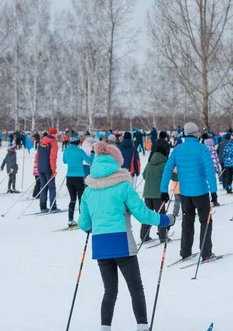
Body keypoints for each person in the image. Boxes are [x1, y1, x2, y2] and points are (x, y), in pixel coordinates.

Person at [78, 142, 174, 331]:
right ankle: (142, 326)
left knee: (110, 291)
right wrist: (165, 220)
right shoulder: (122, 186)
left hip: (101, 244)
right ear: (116, 162)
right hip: (122, 242)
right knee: (135, 288)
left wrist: (94, 223)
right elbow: (143, 214)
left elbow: (84, 223)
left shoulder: (89, 190)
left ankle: (105, 328)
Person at [160, 122, 218, 261]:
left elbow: (167, 170)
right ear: (196, 133)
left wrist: (163, 190)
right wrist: (214, 192)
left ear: (185, 134)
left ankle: (185, 252)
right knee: (205, 221)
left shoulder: (177, 150)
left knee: (187, 221)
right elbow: (210, 171)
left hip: (185, 193)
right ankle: (206, 252)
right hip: (201, 192)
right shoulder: (202, 149)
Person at [140, 145, 170, 243]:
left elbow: (144, 175)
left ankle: (144, 236)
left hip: (147, 194)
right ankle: (162, 236)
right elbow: (170, 176)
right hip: (158, 195)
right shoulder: (164, 164)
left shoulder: (149, 163)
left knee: (147, 215)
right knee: (161, 215)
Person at [63, 133, 92, 227]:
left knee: (72, 199)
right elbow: (90, 161)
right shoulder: (80, 151)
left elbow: (64, 161)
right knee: (81, 199)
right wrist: (92, 153)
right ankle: (82, 220)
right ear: (78, 141)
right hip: (79, 177)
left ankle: (70, 220)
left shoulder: (66, 150)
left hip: (69, 177)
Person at [37, 128, 59, 211]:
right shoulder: (53, 142)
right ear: (54, 134)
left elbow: (37, 155)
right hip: (48, 167)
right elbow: (52, 157)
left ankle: (42, 205)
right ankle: (53, 206)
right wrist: (53, 169)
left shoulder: (41, 141)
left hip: (40, 167)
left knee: (43, 187)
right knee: (51, 187)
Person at [203, 138, 222, 205]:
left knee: (205, 185)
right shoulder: (213, 150)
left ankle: (205, 200)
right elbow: (216, 161)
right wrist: (218, 170)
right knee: (212, 185)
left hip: (203, 171)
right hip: (211, 170)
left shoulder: (202, 150)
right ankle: (214, 200)